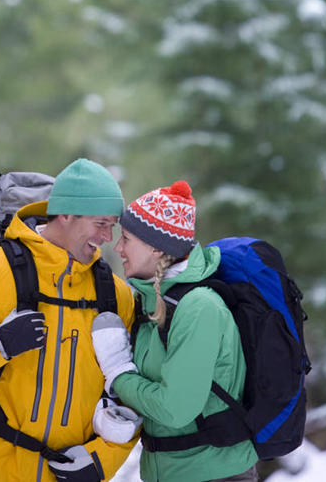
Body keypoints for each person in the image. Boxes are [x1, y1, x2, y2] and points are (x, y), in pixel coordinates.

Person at [0, 158, 138, 482]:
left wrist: (102, 461)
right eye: (100, 223)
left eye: (112, 225)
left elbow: (131, 396)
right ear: (66, 214)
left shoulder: (115, 295)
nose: (108, 237)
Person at [92, 180, 259, 482]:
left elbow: (175, 410)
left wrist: (118, 373)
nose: (118, 248)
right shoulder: (153, 301)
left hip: (213, 473)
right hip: (173, 472)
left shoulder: (198, 307)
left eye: (126, 239)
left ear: (157, 248)